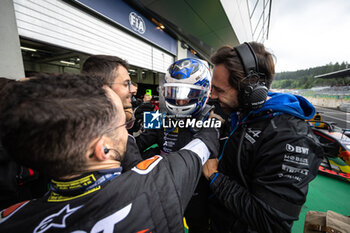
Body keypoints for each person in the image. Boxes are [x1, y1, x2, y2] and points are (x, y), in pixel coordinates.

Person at [0, 73, 219, 232]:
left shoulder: (12, 217)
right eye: (123, 124)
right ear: (101, 149)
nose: (128, 130)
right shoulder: (157, 182)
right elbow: (204, 141)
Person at [202, 42, 323, 233]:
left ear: (251, 92)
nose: (212, 96)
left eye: (220, 90)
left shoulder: (291, 138)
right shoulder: (244, 113)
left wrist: (215, 178)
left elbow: (271, 221)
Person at [135, 58, 215, 232]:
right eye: (174, 93)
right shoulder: (159, 115)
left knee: (199, 226)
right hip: (163, 186)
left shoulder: (212, 118)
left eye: (187, 95)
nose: (179, 101)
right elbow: (140, 142)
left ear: (203, 93)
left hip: (197, 189)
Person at [82, 55, 141, 171]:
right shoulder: (115, 139)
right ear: (103, 88)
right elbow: (142, 185)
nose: (133, 90)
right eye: (126, 84)